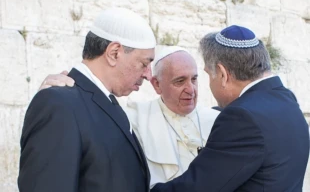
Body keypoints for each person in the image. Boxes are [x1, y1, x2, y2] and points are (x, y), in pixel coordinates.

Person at [151, 25, 310, 191]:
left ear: (222, 74)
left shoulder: (241, 117)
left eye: (207, 75)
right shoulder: (287, 100)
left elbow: (198, 187)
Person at [38, 45, 220, 187]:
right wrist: (61, 93)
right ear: (156, 85)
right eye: (180, 81)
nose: (190, 90)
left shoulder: (217, 120)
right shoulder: (133, 118)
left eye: (194, 79)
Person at [18, 7, 156, 192]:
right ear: (114, 53)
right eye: (144, 63)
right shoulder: (59, 105)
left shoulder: (105, 103)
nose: (149, 75)